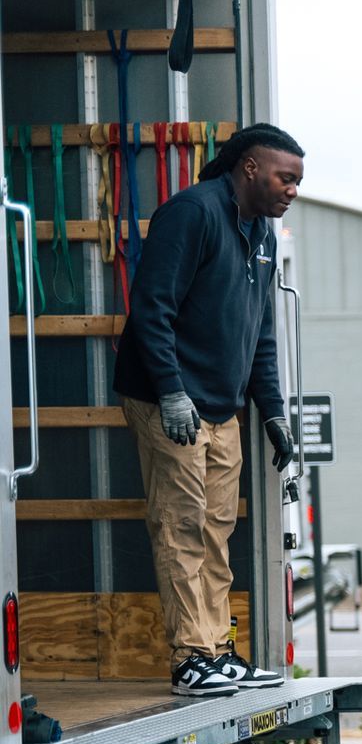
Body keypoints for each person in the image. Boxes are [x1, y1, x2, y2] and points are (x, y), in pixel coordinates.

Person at [115, 123, 305, 698]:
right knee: (182, 525)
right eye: (285, 177)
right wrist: (171, 390)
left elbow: (260, 333)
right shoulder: (192, 214)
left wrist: (272, 411)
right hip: (167, 398)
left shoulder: (264, 234)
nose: (292, 189)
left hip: (222, 407)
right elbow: (151, 308)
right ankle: (191, 656)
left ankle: (218, 648)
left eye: (298, 180)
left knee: (218, 529)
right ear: (250, 168)